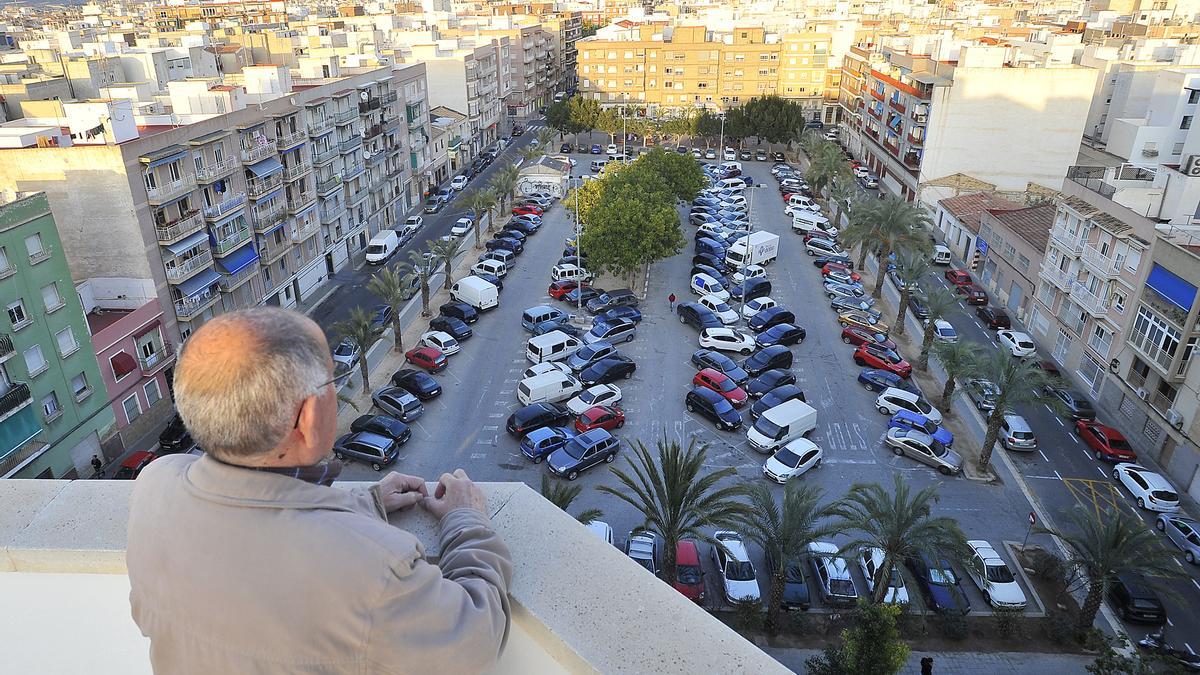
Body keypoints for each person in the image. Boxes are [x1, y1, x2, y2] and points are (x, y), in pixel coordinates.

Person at [126, 308, 512, 674]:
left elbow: (261, 523)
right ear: (308, 419)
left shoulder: (155, 487)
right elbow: (475, 642)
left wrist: (366, 504)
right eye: (332, 380)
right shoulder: (376, 573)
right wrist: (467, 520)